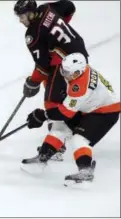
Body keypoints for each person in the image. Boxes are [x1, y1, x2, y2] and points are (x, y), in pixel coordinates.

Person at [22, 53, 120, 185]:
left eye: (68, 73)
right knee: (59, 126)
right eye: (64, 70)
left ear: (77, 72)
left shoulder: (80, 87)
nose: (64, 74)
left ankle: (85, 172)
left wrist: (42, 115)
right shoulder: (78, 71)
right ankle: (42, 158)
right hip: (88, 108)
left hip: (106, 112)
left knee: (79, 139)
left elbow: (64, 113)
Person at [14, 0, 89, 161]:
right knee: (53, 87)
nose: (21, 20)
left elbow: (42, 66)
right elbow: (70, 6)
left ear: (31, 13)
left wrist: (31, 82)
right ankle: (77, 127)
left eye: (22, 16)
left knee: (51, 100)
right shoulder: (48, 8)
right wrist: (59, 31)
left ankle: (57, 146)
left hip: (65, 63)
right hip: (80, 54)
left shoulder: (33, 34)